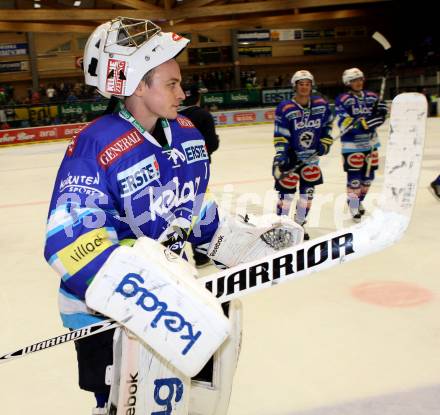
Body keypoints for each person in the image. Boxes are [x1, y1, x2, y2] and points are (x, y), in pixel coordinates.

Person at [44, 17, 301, 415]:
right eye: (171, 83)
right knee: (121, 404)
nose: (183, 92)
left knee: (186, 399)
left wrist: (235, 240)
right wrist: (145, 287)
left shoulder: (186, 135)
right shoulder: (96, 143)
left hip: (174, 300)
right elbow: (69, 243)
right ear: (136, 85)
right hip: (108, 315)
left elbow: (194, 211)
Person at [272, 69, 333, 239]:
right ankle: (282, 227)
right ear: (295, 86)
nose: (304, 87)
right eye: (301, 84)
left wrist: (325, 143)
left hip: (311, 159)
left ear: (312, 86)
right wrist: (282, 154)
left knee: (307, 196)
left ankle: (299, 224)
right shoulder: (285, 107)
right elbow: (280, 133)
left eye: (307, 84)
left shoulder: (321, 105)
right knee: (286, 197)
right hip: (291, 158)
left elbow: (327, 127)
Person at [335, 67, 388, 221]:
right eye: (353, 80)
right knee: (355, 179)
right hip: (351, 146)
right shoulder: (343, 99)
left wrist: (380, 113)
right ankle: (353, 205)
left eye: (359, 79)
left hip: (371, 144)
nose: (358, 83)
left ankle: (359, 201)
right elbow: (344, 122)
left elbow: (379, 118)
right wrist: (363, 125)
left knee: (368, 179)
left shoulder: (372, 97)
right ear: (347, 83)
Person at [179, 84, 219, 268]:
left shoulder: (171, 116)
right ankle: (201, 253)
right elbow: (211, 143)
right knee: (199, 206)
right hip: (198, 169)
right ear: (197, 98)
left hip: (175, 169)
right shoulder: (203, 115)